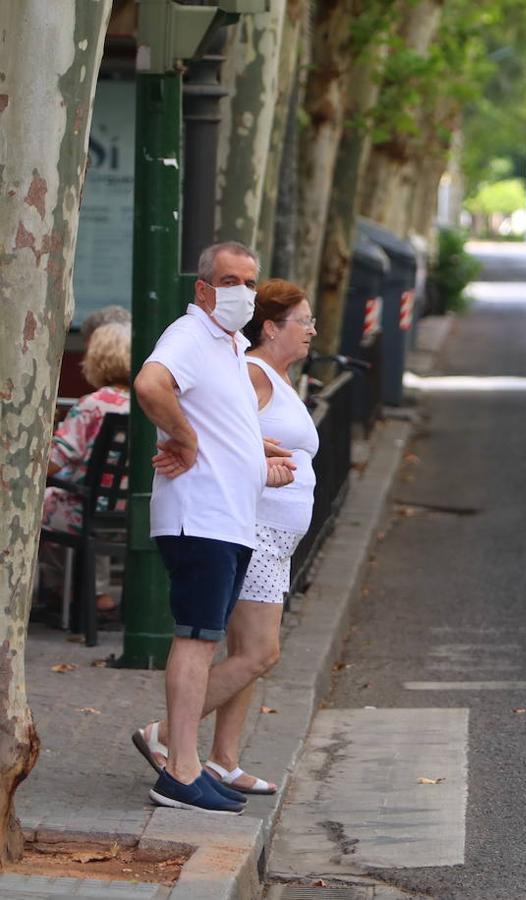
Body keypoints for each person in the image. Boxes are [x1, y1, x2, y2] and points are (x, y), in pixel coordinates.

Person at [131, 241, 296, 815]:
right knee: (196, 640)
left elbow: (220, 418)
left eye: (251, 283)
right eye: (231, 281)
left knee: (203, 641)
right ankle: (179, 771)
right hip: (198, 517)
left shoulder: (226, 346)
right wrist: (186, 439)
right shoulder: (189, 335)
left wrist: (255, 453)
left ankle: (188, 763)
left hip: (226, 519)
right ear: (204, 289)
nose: (243, 294)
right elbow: (151, 386)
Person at [200, 278, 319, 796]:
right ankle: (165, 733)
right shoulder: (253, 373)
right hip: (258, 529)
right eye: (304, 321)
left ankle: (224, 758)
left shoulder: (280, 377)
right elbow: (218, 433)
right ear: (271, 327)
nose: (313, 330)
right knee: (262, 653)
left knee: (244, 650)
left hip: (277, 535)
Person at [39, 321, 132, 614]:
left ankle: (63, 589)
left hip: (87, 508)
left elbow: (53, 462)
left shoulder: (92, 405)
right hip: (129, 510)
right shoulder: (146, 403)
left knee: (36, 507)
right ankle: (94, 592)